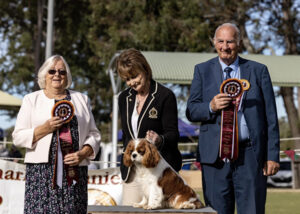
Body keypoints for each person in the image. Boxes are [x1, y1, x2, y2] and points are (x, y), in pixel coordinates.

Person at [186, 23, 280, 214]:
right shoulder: (201, 71)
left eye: (230, 41)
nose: (225, 46)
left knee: (252, 209)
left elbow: (271, 116)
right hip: (215, 158)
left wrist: (272, 156)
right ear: (214, 42)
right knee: (216, 211)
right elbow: (191, 110)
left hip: (251, 156)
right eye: (220, 41)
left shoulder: (258, 70)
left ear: (239, 43)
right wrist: (210, 106)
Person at [12, 55, 101, 213]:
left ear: (67, 77)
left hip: (74, 172)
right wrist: (44, 128)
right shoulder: (30, 100)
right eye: (52, 71)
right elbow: (18, 137)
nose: (57, 75)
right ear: (44, 75)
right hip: (41, 174)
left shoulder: (82, 99)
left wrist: (83, 153)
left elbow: (94, 134)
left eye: (62, 71)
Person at [116, 48, 182, 205]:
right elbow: (126, 135)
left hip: (159, 172)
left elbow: (173, 134)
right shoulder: (124, 98)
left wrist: (159, 139)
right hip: (133, 171)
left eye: (135, 76)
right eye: (127, 79)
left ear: (145, 69)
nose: (132, 82)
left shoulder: (165, 96)